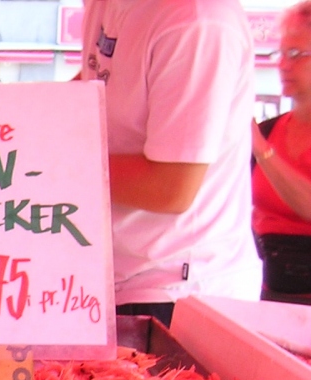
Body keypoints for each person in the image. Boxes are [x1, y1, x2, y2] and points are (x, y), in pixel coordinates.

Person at [80, 0, 262, 323]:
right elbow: (99, 83)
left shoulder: (196, 22)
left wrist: (43, 166)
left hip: (178, 292)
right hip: (111, 278)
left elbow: (170, 187)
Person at [252, 2, 311, 304]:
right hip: (268, 296)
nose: (284, 65)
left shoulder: (259, 141)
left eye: (297, 54)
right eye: (281, 54)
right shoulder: (267, 131)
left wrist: (262, 150)